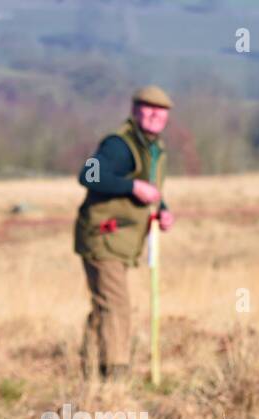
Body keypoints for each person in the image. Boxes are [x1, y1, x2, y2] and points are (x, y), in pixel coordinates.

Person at [73, 85, 175, 382]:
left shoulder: (154, 148)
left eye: (162, 110)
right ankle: (116, 378)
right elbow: (88, 174)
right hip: (103, 237)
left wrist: (162, 209)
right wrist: (132, 187)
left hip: (121, 239)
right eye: (148, 108)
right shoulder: (118, 145)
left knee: (105, 306)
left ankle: (90, 369)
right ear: (134, 110)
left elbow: (150, 189)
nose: (156, 115)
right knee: (117, 306)